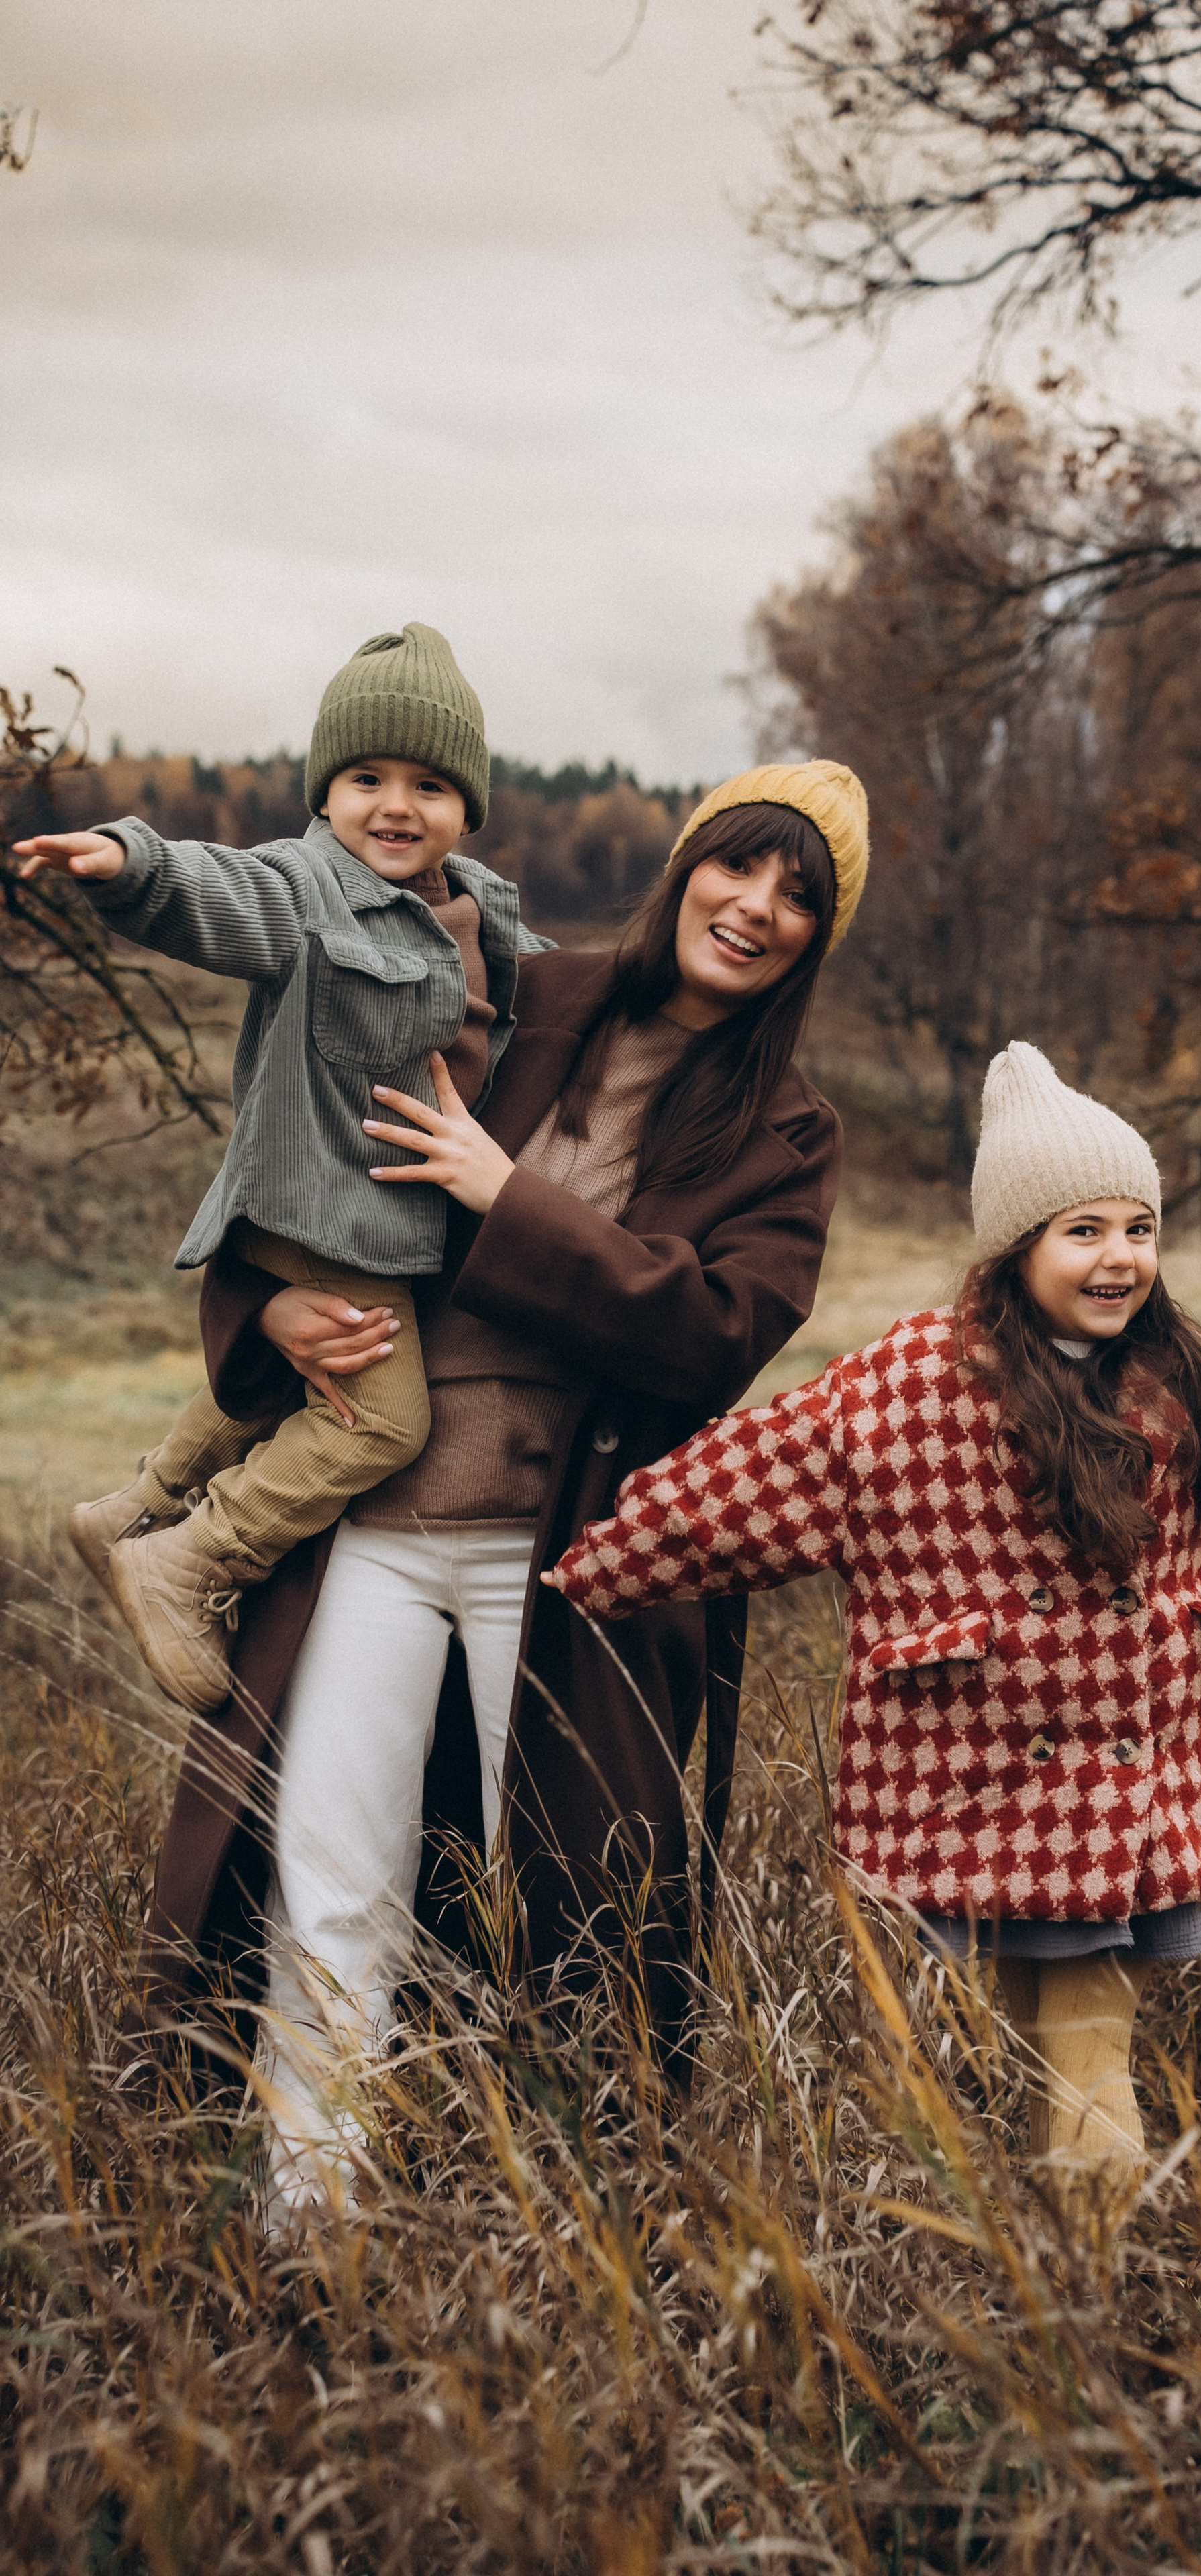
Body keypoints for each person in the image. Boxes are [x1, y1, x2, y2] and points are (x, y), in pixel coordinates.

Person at [148, 758, 868, 2216]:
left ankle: (544, 2233)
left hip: (578, 1567)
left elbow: (711, 1336)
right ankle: (313, 2217)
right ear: (685, 867)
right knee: (330, 1871)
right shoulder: (516, 997)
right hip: (378, 1523)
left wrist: (506, 1196)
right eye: (740, 866)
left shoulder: (788, 1132)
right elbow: (309, 1158)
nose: (759, 908)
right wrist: (264, 1306)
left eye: (802, 895)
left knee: (572, 1908)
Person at [548, 1040, 1201, 2204]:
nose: (1119, 1257)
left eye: (1139, 1228)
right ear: (1015, 1245)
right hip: (986, 1792)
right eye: (1084, 1230)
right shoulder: (914, 1386)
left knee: (1084, 2044)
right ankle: (1060, 2271)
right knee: (1039, 2032)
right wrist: (592, 1559)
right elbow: (752, 1479)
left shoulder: (1195, 1380)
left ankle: (1084, 2286)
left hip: (1136, 1800)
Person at [14, 623, 531, 1714]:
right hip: (320, 1201)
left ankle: (137, 1508)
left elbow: (546, 1001)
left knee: (307, 1374)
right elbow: (218, 891)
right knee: (387, 1422)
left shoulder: (483, 908)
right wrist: (131, 863)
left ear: (468, 805)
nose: (396, 805)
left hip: (395, 1216)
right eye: (365, 778)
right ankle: (198, 1554)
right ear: (325, 792)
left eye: (430, 784)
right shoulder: (306, 888)